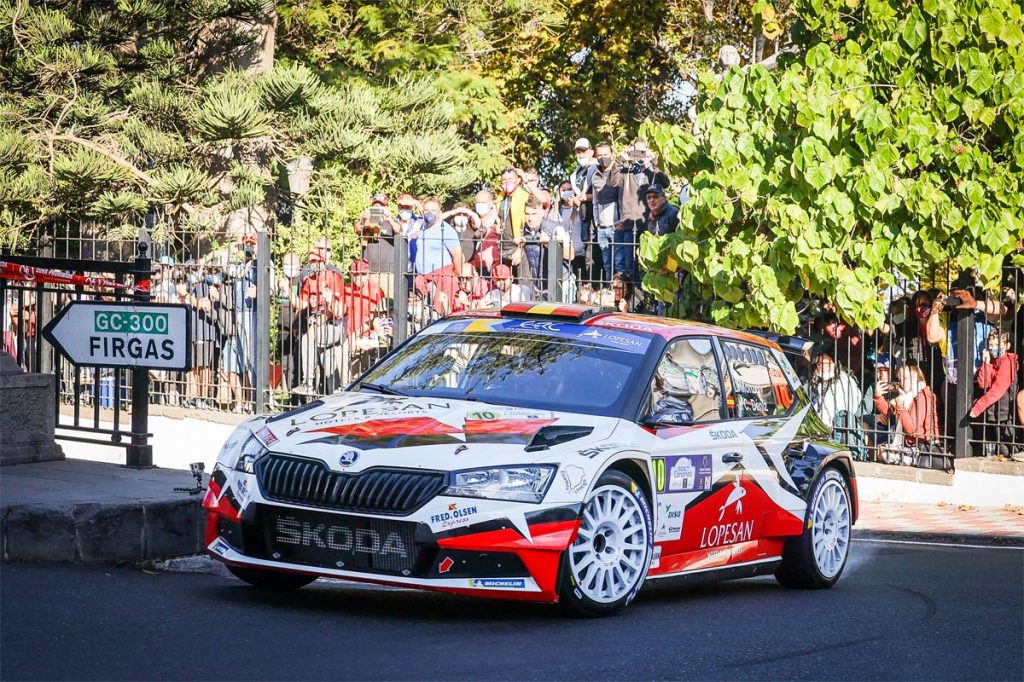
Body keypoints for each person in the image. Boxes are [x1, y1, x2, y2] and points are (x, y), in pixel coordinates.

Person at [616, 138, 669, 284]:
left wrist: (654, 162)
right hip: (630, 224)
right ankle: (636, 296)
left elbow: (666, 182)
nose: (639, 155)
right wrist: (621, 158)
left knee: (652, 263)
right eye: (636, 151)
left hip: (650, 223)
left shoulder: (653, 172)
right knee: (630, 265)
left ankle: (650, 296)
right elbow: (612, 180)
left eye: (642, 151)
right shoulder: (627, 171)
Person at [295, 249, 346, 396]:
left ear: (323, 261)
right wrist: (287, 291)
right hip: (320, 326)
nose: (315, 264)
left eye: (317, 261)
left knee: (308, 339)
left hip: (334, 324)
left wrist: (316, 325)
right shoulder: (309, 280)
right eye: (311, 261)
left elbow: (335, 311)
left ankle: (308, 383)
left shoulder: (333, 277)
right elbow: (301, 305)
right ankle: (336, 393)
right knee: (327, 357)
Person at [967, 328, 1020, 456]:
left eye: (997, 345)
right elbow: (983, 384)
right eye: (991, 345)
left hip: (1004, 414)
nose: (993, 348)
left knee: (1006, 448)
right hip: (993, 413)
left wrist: (978, 407)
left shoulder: (1008, 362)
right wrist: (986, 363)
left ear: (1007, 346)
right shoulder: (993, 362)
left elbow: (998, 389)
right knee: (994, 448)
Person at [874, 363, 940, 462]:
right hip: (908, 442)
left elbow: (911, 429)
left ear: (916, 376)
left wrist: (900, 407)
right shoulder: (908, 395)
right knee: (879, 445)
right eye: (900, 379)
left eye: (905, 378)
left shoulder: (924, 396)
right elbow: (887, 410)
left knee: (883, 452)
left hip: (922, 447)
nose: (902, 382)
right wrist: (878, 396)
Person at [810, 353, 868, 460]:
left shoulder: (845, 382)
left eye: (827, 363)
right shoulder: (815, 384)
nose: (823, 366)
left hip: (838, 432)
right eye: (819, 364)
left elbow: (846, 410)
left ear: (835, 363)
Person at [590, 142, 622, 286]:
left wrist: (620, 220)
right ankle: (610, 291)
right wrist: (597, 222)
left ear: (612, 154)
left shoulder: (619, 173)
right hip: (602, 227)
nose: (603, 158)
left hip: (616, 225)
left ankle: (622, 293)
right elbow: (595, 201)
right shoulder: (595, 176)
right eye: (600, 155)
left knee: (620, 264)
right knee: (607, 265)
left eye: (606, 154)